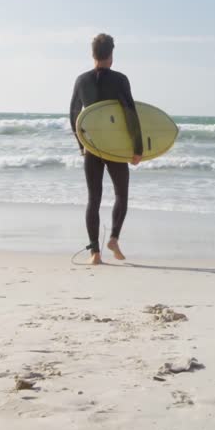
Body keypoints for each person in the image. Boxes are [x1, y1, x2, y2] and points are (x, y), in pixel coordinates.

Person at [69, 33, 143, 265]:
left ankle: (95, 254)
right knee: (121, 194)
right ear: (111, 55)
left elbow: (74, 115)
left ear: (93, 54)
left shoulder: (81, 80)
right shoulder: (120, 80)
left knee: (94, 198)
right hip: (114, 148)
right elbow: (130, 113)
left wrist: (82, 144)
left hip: (92, 147)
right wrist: (137, 147)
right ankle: (113, 238)